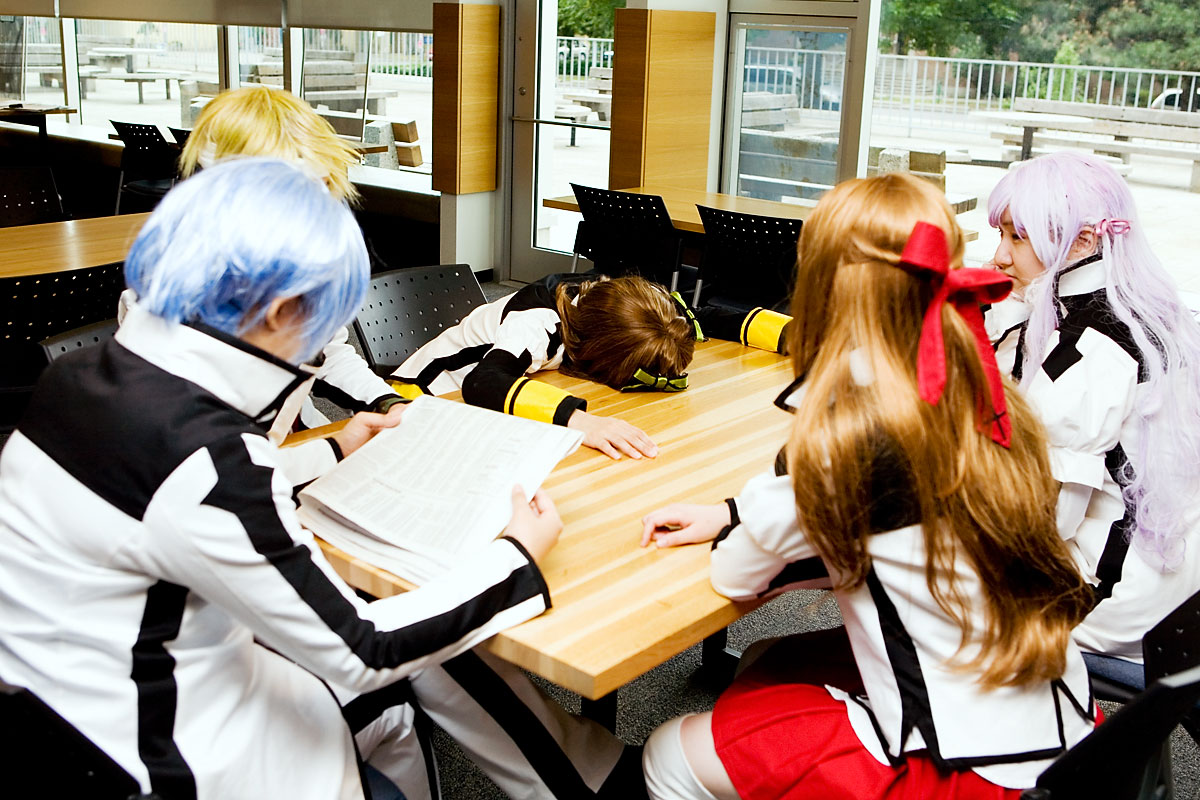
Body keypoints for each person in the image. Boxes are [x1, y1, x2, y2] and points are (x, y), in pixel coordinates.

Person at [0, 159, 645, 800]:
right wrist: (515, 555)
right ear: (281, 313)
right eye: (323, 325)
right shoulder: (210, 459)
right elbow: (363, 648)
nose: (324, 346)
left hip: (62, 705)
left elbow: (166, 492)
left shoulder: (82, 377)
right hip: (156, 750)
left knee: (400, 696)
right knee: (396, 685)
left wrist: (334, 447)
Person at [637, 172, 1098, 799]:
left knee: (667, 753)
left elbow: (735, 576)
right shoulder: (988, 396)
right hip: (1060, 727)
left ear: (824, 289)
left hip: (964, 773)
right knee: (765, 661)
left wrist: (757, 517)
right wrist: (736, 511)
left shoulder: (852, 436)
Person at [985, 152, 1200, 686]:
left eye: (1018, 238)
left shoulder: (1086, 348)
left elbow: (1043, 520)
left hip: (1110, 605)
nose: (999, 256)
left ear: (1082, 241)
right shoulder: (1145, 309)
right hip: (1176, 596)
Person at [133, 85, 404, 486]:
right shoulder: (169, 309)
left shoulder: (301, 262)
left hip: (287, 445)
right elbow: (214, 469)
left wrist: (384, 401)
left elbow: (326, 349)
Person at [392, 272, 792, 459]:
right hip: (420, 402)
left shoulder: (621, 301)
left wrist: (797, 334)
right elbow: (484, 381)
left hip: (486, 405)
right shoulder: (536, 326)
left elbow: (701, 315)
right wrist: (581, 421)